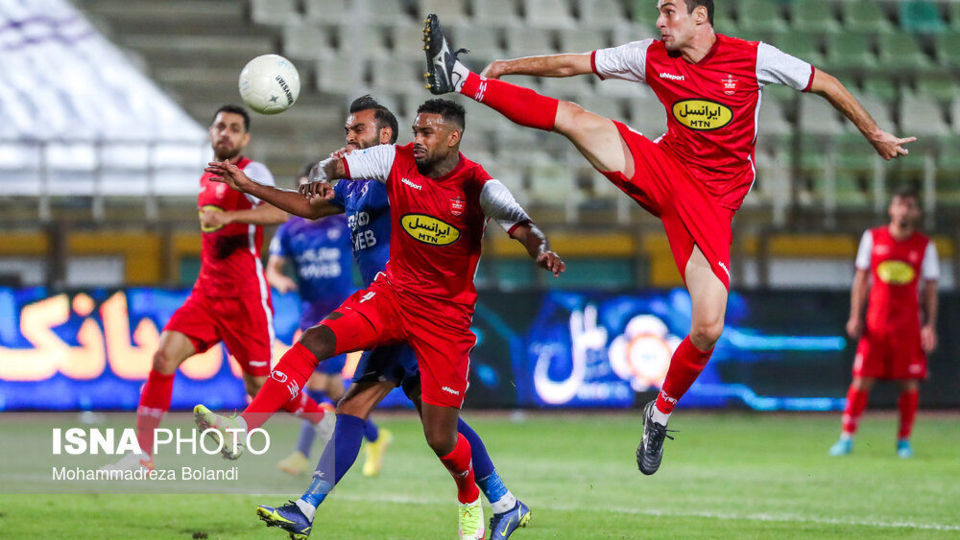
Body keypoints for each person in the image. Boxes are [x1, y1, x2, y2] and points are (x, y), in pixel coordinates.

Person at [420, 1, 916, 475]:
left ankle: (657, 415)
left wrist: (873, 132)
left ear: (700, 17)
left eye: (668, 11)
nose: (659, 20)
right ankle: (460, 79)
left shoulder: (754, 58)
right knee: (574, 118)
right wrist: (505, 65)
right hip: (665, 169)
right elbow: (576, 63)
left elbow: (824, 82)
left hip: (713, 206)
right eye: (659, 11)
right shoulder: (652, 56)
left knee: (707, 328)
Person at [196, 98, 562, 539]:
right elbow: (310, 203)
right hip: (389, 302)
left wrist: (539, 247)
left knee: (440, 434)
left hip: (438, 321)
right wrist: (256, 183)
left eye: (359, 130)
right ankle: (278, 472)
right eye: (347, 130)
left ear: (385, 137)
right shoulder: (361, 181)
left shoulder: (407, 172)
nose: (350, 137)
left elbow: (518, 221)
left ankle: (491, 500)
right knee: (338, 379)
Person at [102, 105, 329, 472]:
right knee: (163, 358)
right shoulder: (206, 178)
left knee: (259, 387)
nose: (226, 133)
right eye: (220, 126)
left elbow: (281, 214)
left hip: (245, 298)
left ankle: (322, 420)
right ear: (211, 132)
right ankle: (142, 453)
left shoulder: (252, 172)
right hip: (207, 293)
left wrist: (231, 216)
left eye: (235, 128)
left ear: (245, 138)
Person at [268, 162, 390, 478]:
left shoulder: (340, 221)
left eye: (316, 189)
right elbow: (273, 267)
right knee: (334, 389)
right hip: (310, 314)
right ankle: (376, 437)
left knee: (316, 384)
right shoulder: (289, 230)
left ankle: (300, 454)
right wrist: (278, 279)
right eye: (305, 190)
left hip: (341, 314)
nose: (312, 196)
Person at [829, 187, 938, 458]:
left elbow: (931, 289)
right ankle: (846, 437)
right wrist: (855, 315)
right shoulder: (873, 238)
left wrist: (930, 325)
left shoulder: (925, 246)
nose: (904, 210)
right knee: (861, 379)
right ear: (891, 209)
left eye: (910, 206)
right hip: (876, 324)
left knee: (909, 382)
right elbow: (861, 280)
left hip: (908, 326)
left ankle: (904, 441)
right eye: (900, 204)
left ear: (916, 213)